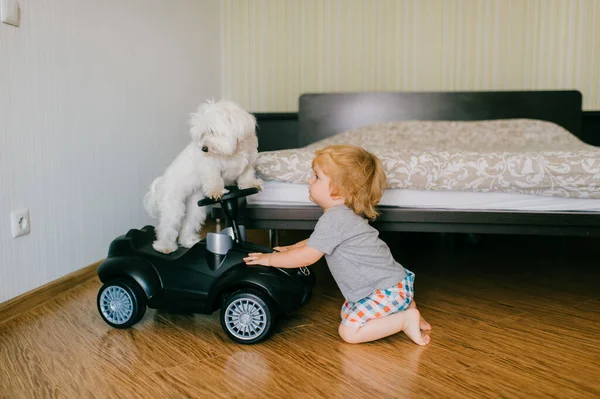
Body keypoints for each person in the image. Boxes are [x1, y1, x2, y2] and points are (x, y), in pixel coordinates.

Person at [244, 145, 431, 345]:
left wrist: (270, 260)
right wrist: (292, 248)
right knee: (346, 312)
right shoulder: (343, 215)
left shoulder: (334, 219)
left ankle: (404, 320)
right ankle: (408, 309)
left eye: (316, 177)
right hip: (395, 284)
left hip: (384, 291)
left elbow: (308, 256)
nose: (309, 180)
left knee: (349, 331)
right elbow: (318, 241)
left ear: (338, 192)